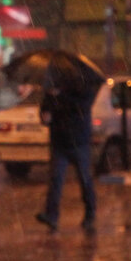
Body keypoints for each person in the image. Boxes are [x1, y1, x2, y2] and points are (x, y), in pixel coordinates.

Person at [35, 79, 98, 234]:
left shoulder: (83, 87)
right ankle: (52, 216)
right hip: (59, 142)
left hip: (79, 141)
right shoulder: (52, 89)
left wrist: (60, 96)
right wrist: (45, 116)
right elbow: (45, 111)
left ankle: (90, 214)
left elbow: (81, 106)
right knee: (56, 179)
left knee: (85, 179)